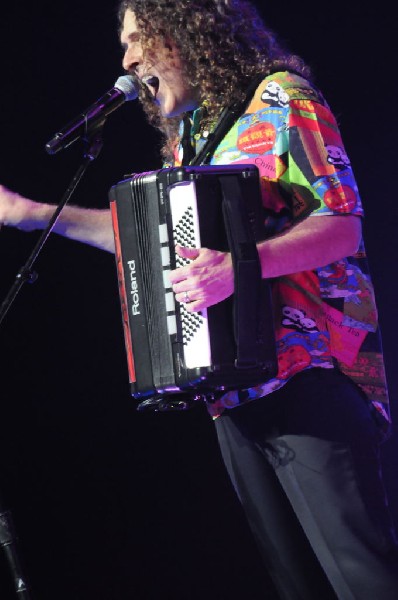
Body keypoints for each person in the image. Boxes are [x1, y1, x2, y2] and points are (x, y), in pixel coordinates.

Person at [1, 0, 397, 597]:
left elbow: (343, 225)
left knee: (362, 577)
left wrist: (242, 266)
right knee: (297, 584)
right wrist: (32, 216)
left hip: (312, 374)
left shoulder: (284, 98)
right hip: (231, 388)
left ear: (187, 32)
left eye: (138, 39)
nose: (128, 59)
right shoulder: (194, 133)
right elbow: (144, 238)